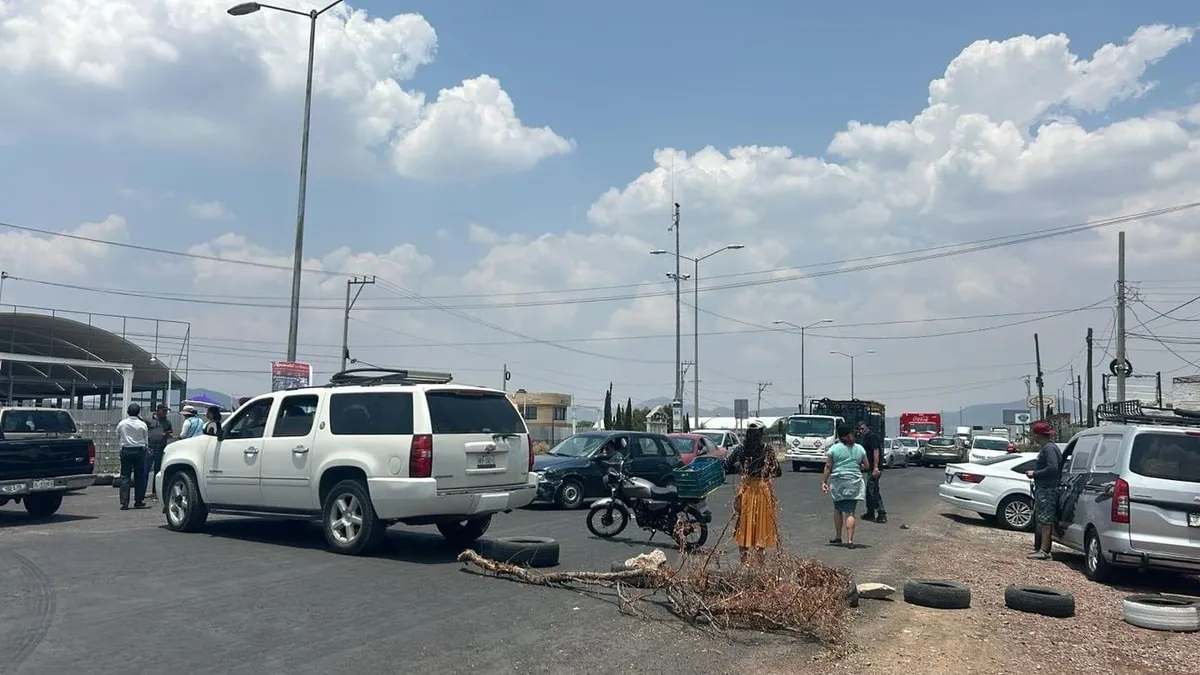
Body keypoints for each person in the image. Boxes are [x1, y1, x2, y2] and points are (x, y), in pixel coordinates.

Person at [725, 420, 782, 564]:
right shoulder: (767, 449)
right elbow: (778, 471)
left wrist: (741, 469)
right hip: (763, 490)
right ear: (761, 433)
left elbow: (726, 466)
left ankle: (744, 564)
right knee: (760, 528)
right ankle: (760, 566)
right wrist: (764, 471)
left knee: (743, 526)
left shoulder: (740, 449)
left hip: (746, 490)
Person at [822, 425, 869, 548]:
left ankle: (838, 536)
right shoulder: (859, 448)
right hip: (854, 483)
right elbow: (866, 465)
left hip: (839, 482)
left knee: (838, 509)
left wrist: (824, 481)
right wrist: (860, 467)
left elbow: (828, 466)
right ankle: (850, 541)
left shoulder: (834, 449)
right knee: (850, 512)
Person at [1025, 421, 1062, 560]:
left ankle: (1045, 550)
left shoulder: (1048, 449)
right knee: (1043, 518)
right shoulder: (1048, 448)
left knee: (1046, 520)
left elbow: (1053, 467)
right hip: (1044, 487)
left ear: (1037, 435)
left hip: (1048, 488)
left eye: (1034, 435)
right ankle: (1042, 547)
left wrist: (1035, 473)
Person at [116, 403, 150, 510]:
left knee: (125, 476)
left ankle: (124, 502)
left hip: (126, 450)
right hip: (139, 450)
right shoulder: (142, 424)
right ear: (138, 412)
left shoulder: (122, 423)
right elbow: (146, 438)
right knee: (139, 476)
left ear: (128, 412)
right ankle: (138, 501)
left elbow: (118, 435)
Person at [857, 420, 887, 524]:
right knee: (869, 491)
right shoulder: (865, 438)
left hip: (875, 469)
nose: (861, 431)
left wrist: (875, 467)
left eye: (863, 429)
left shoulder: (872, 436)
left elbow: (876, 451)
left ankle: (881, 513)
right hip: (869, 468)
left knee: (872, 490)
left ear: (867, 428)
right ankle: (870, 512)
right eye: (860, 429)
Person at [145, 403, 173, 500]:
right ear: (158, 410)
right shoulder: (149, 421)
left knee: (158, 471)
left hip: (161, 448)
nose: (165, 413)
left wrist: (168, 435)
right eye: (163, 411)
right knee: (146, 470)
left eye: (166, 411)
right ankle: (141, 492)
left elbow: (170, 434)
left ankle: (155, 492)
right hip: (150, 448)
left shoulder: (167, 422)